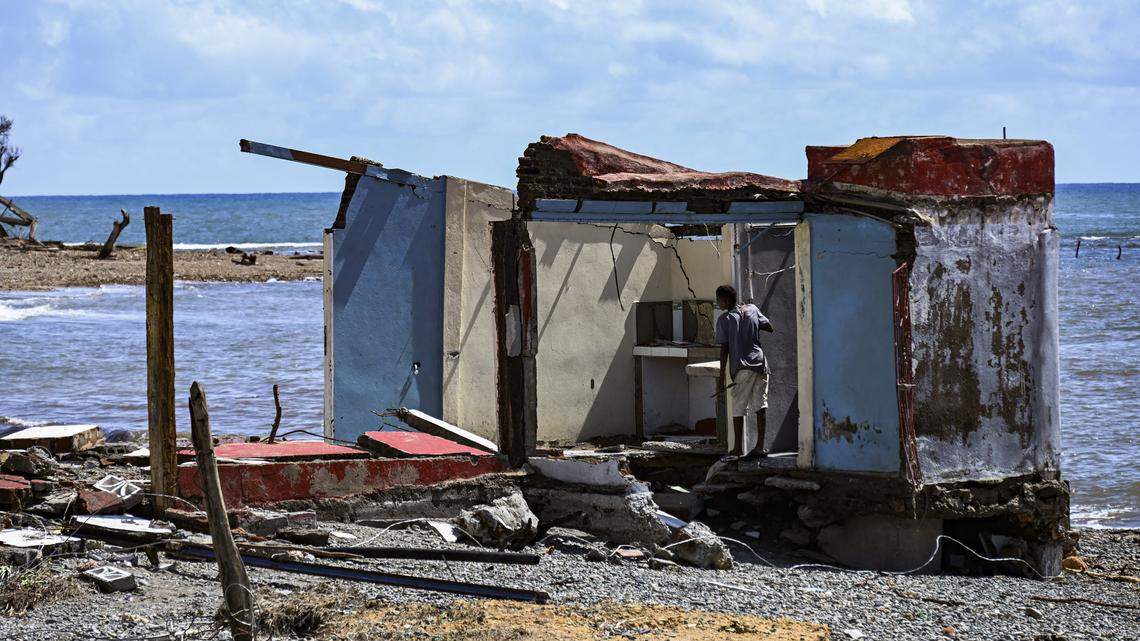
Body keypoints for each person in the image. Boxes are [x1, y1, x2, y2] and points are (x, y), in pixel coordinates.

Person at [714, 284, 774, 458]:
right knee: (760, 404)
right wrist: (751, 324)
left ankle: (738, 448)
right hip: (761, 363)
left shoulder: (724, 320)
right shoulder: (752, 308)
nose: (718, 303)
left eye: (718, 300)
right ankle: (760, 447)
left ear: (725, 300)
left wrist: (721, 378)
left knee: (738, 407)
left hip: (743, 368)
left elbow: (724, 350)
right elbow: (770, 327)